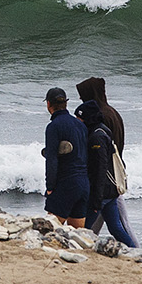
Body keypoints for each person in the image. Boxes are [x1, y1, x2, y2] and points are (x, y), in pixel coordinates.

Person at [75, 99, 136, 248]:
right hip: (109, 192)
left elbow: (100, 170)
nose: (78, 122)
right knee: (116, 228)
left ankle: (78, 251)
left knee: (84, 229)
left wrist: (96, 199)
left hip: (102, 194)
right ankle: (135, 251)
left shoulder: (97, 137)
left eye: (79, 119)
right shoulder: (100, 130)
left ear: (87, 118)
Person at [42, 87, 88, 228]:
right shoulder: (81, 125)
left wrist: (50, 186)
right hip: (83, 184)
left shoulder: (53, 126)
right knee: (78, 235)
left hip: (66, 183)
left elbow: (52, 159)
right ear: (65, 103)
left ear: (49, 104)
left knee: (50, 231)